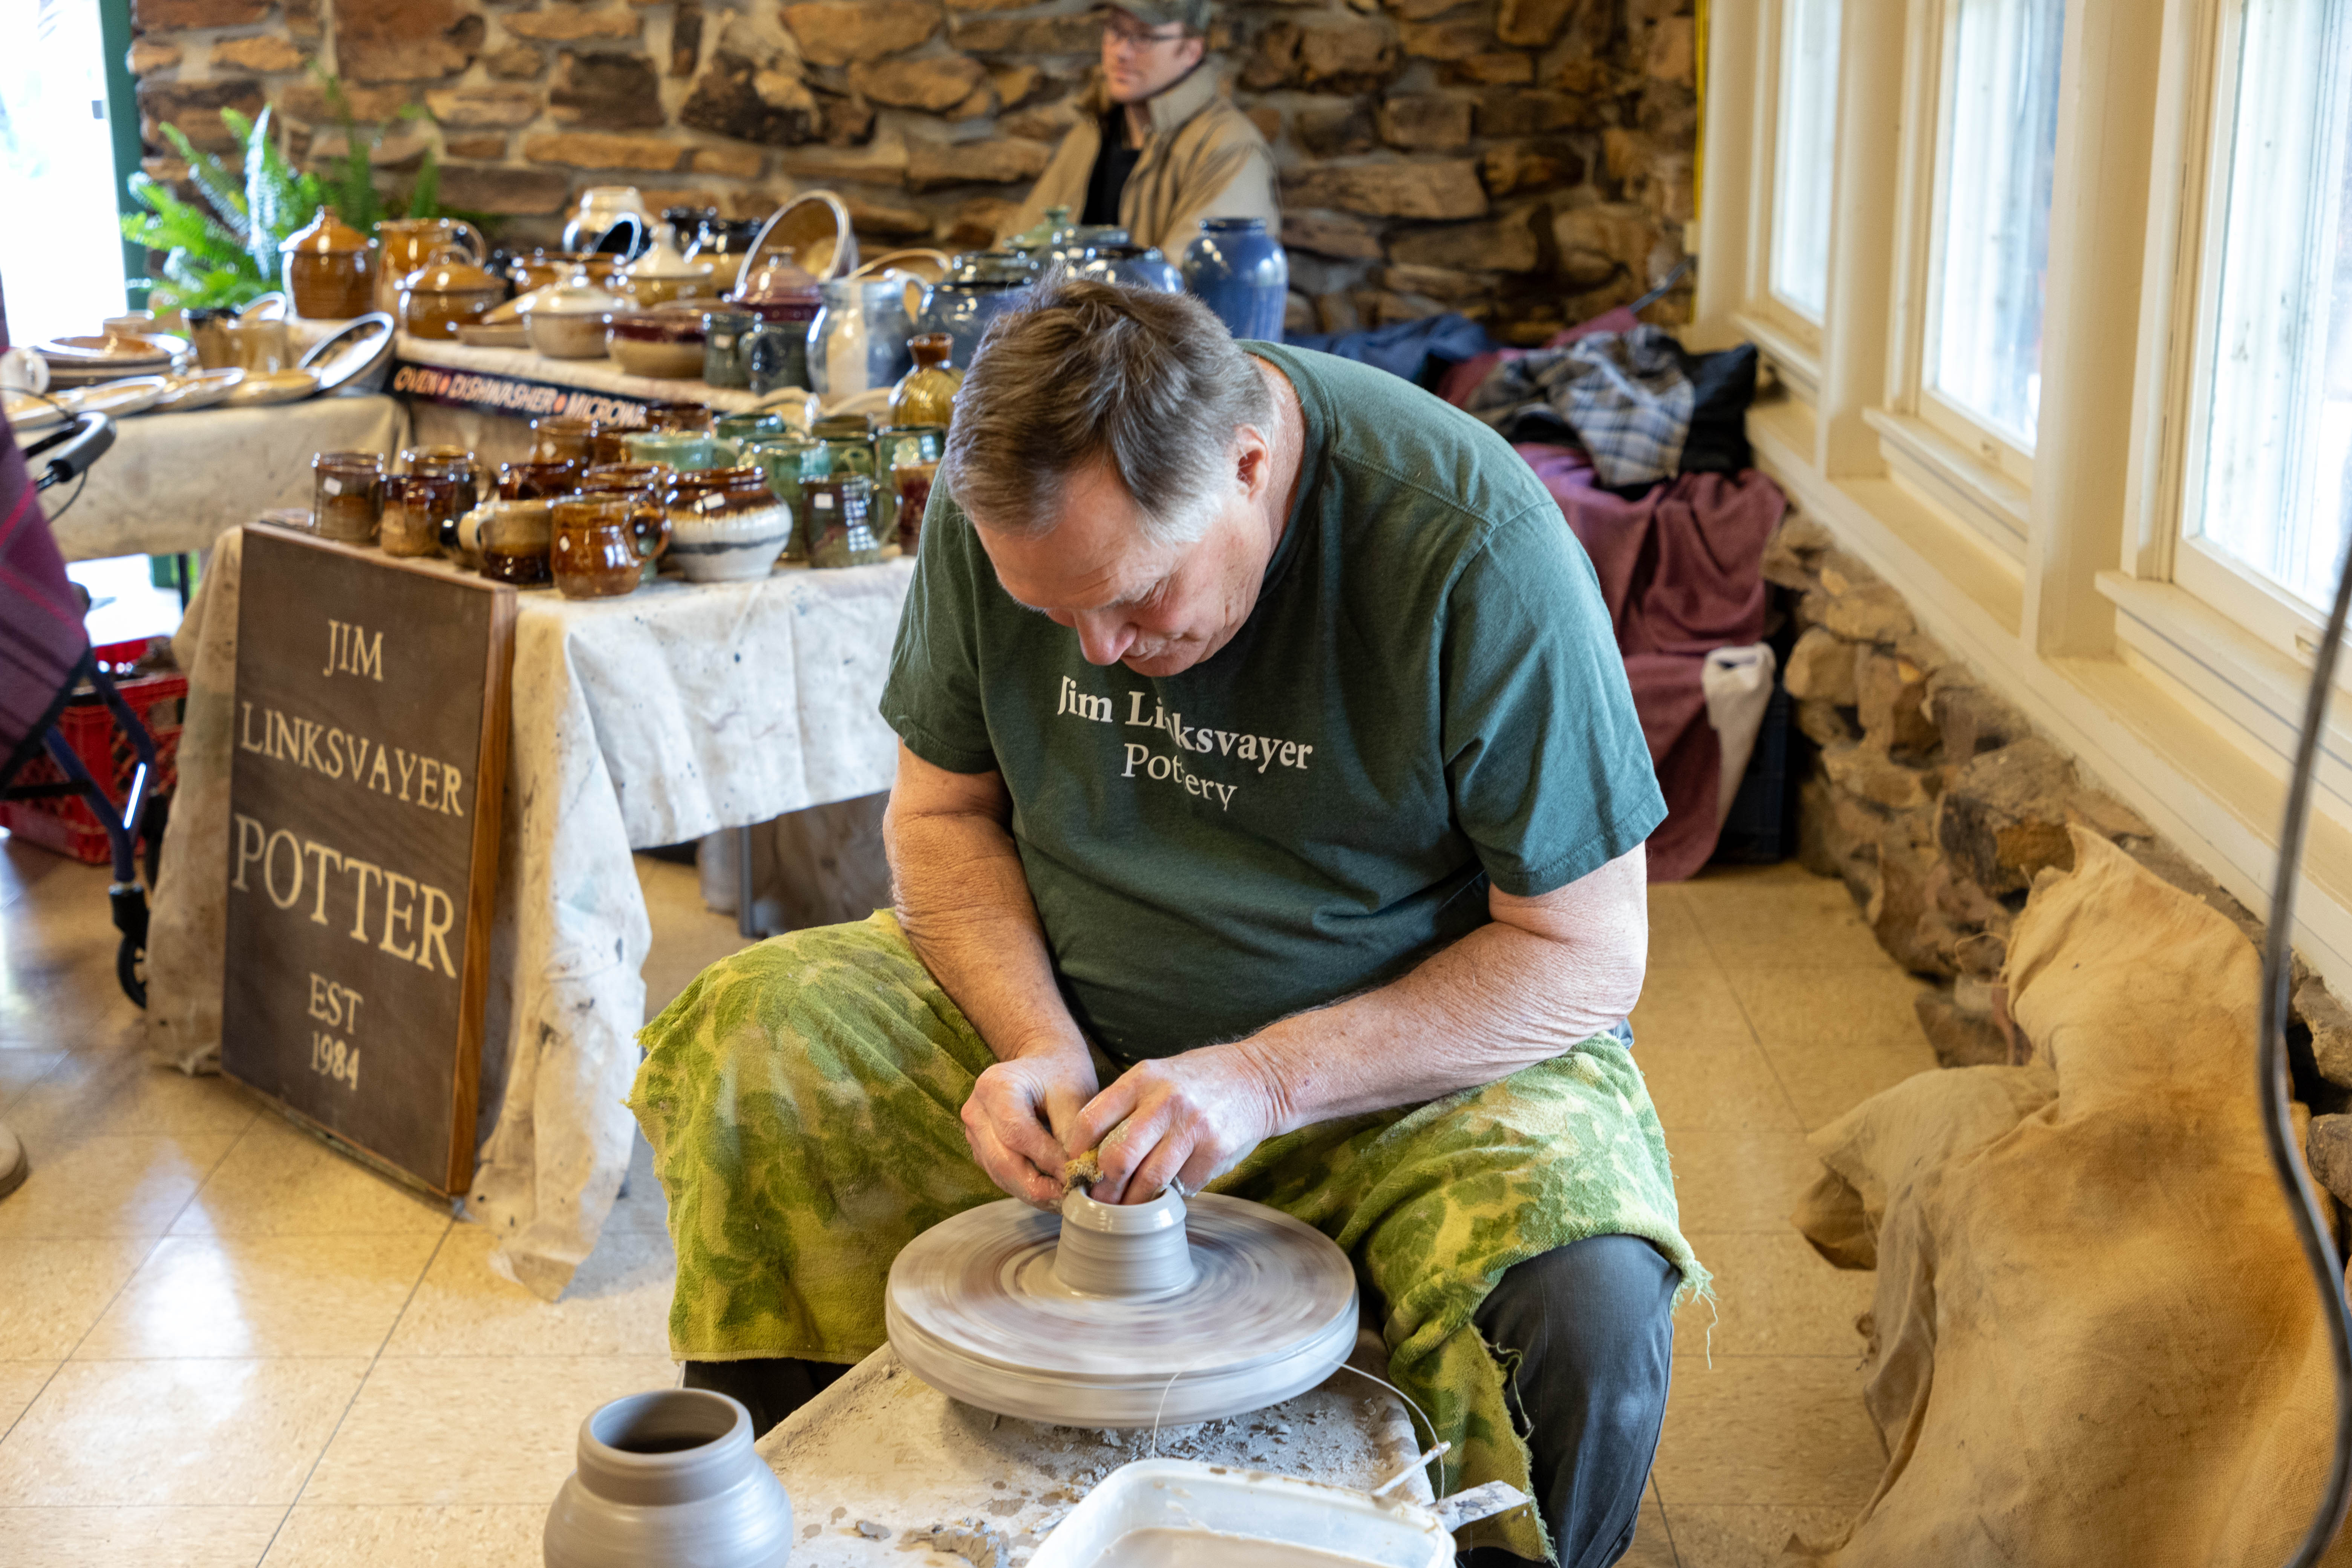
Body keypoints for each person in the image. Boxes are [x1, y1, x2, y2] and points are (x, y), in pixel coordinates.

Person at [631, 278, 1704, 1568]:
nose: (1089, 650)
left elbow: (1584, 951)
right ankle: (790, 1529)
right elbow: (943, 819)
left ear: (1249, 469)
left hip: (1395, 1075)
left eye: (1134, 600)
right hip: (1078, 1024)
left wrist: (1264, 1077)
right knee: (757, 1044)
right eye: (1050, 613)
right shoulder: (1003, 520)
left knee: (1579, 1288)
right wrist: (1035, 1044)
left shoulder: (1474, 548)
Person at [1001, 0, 1278, 255]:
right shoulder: (1089, 135)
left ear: (1191, 51)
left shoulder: (1230, 148)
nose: (1120, 51)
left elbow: (1187, 288)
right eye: (1114, 31)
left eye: (1144, 37)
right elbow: (1013, 248)